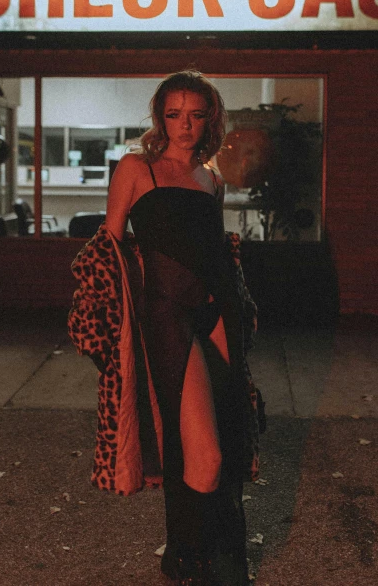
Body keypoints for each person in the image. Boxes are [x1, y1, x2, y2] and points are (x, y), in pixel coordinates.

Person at [105, 71, 255, 586]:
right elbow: (109, 256)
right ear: (159, 117)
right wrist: (114, 337)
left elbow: (213, 253)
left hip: (218, 313)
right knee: (201, 453)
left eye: (196, 114)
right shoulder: (136, 169)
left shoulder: (211, 180)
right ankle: (187, 558)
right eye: (174, 114)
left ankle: (214, 555)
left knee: (229, 438)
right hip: (167, 315)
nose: (184, 126)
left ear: (209, 118)